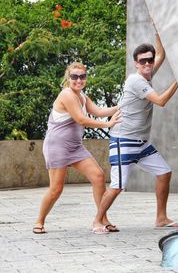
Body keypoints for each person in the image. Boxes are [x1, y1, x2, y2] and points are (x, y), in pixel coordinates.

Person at [93, 33, 178, 230]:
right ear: (136, 63)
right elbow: (160, 101)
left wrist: (158, 30)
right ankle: (97, 221)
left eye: (149, 60)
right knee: (117, 186)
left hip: (141, 142)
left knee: (164, 172)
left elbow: (161, 54)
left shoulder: (148, 73)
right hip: (123, 139)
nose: (148, 63)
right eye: (143, 61)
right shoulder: (136, 81)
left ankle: (161, 218)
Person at [33, 62, 121, 235]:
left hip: (75, 147)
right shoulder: (66, 94)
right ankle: (39, 221)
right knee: (56, 189)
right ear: (68, 78)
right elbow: (82, 120)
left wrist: (122, 106)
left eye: (82, 76)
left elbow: (97, 111)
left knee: (98, 176)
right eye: (74, 76)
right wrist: (108, 124)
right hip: (57, 147)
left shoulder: (82, 96)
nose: (78, 80)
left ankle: (102, 219)